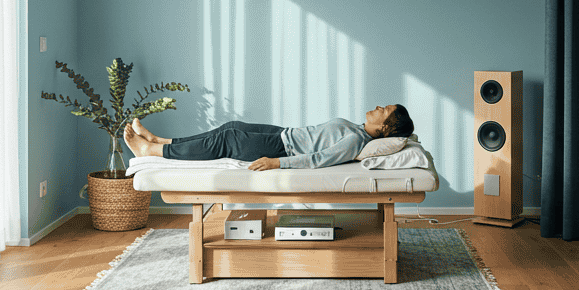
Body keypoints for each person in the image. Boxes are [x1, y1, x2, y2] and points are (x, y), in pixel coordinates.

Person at [123, 104, 415, 172]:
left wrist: (277, 163)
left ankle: (153, 152)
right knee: (232, 125)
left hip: (281, 147)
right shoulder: (356, 129)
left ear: (385, 128)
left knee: (229, 138)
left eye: (384, 110)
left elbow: (319, 159)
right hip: (283, 133)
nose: (378, 107)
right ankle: (164, 142)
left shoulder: (355, 141)